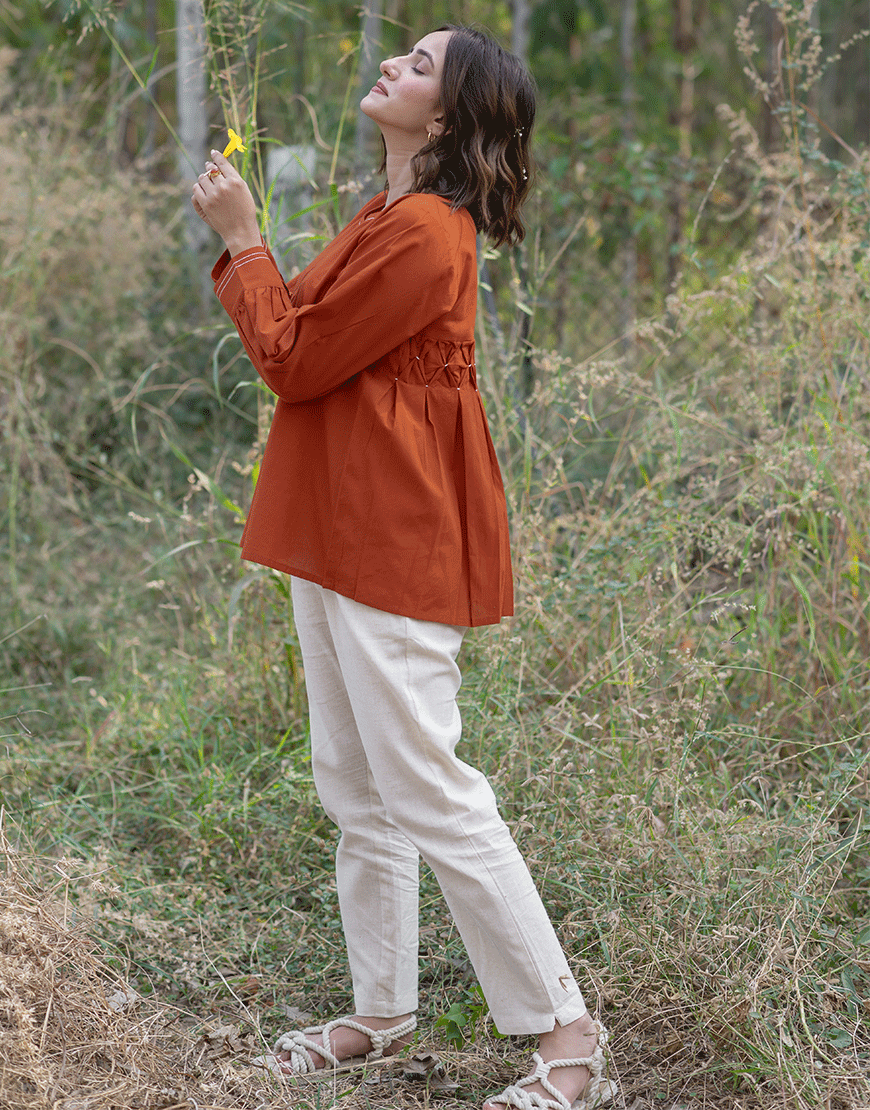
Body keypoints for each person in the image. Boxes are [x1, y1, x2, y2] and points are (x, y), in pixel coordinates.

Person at [191, 24, 615, 1110]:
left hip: (393, 538)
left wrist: (244, 240)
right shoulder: (385, 214)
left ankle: (568, 1037)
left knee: (429, 785)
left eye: (420, 67)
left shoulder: (428, 232)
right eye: (404, 55)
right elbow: (308, 345)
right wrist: (254, 257)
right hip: (336, 527)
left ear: (447, 117)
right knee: (356, 784)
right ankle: (379, 1012)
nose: (392, 65)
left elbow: (292, 358)